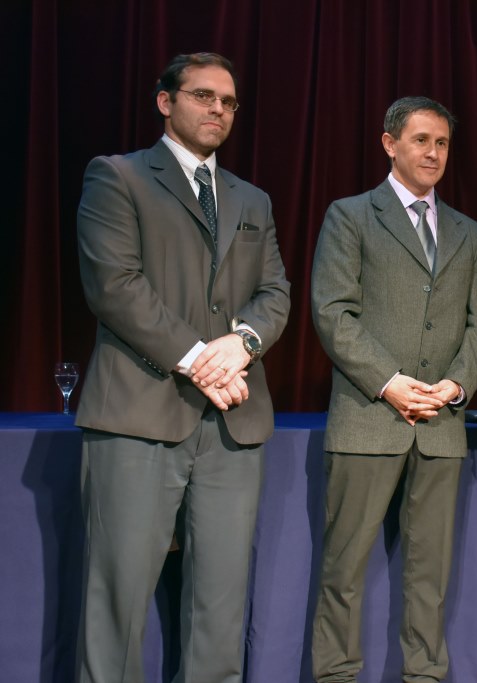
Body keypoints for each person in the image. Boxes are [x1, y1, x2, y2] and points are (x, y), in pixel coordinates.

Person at [75, 52, 291, 681]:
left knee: (220, 606)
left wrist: (242, 343)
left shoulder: (252, 198)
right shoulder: (117, 177)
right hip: (139, 413)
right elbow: (116, 285)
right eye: (203, 96)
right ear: (166, 102)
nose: (217, 110)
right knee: (118, 601)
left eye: (227, 102)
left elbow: (274, 292)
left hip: (234, 425)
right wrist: (202, 359)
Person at [309, 96, 477, 683]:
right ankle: (336, 675)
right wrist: (390, 384)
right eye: (421, 140)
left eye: (442, 143)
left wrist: (456, 384)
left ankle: (426, 676)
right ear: (389, 144)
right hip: (369, 418)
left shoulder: (467, 231)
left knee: (430, 574)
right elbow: (333, 312)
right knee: (344, 569)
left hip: (440, 426)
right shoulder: (351, 215)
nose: (434, 153)